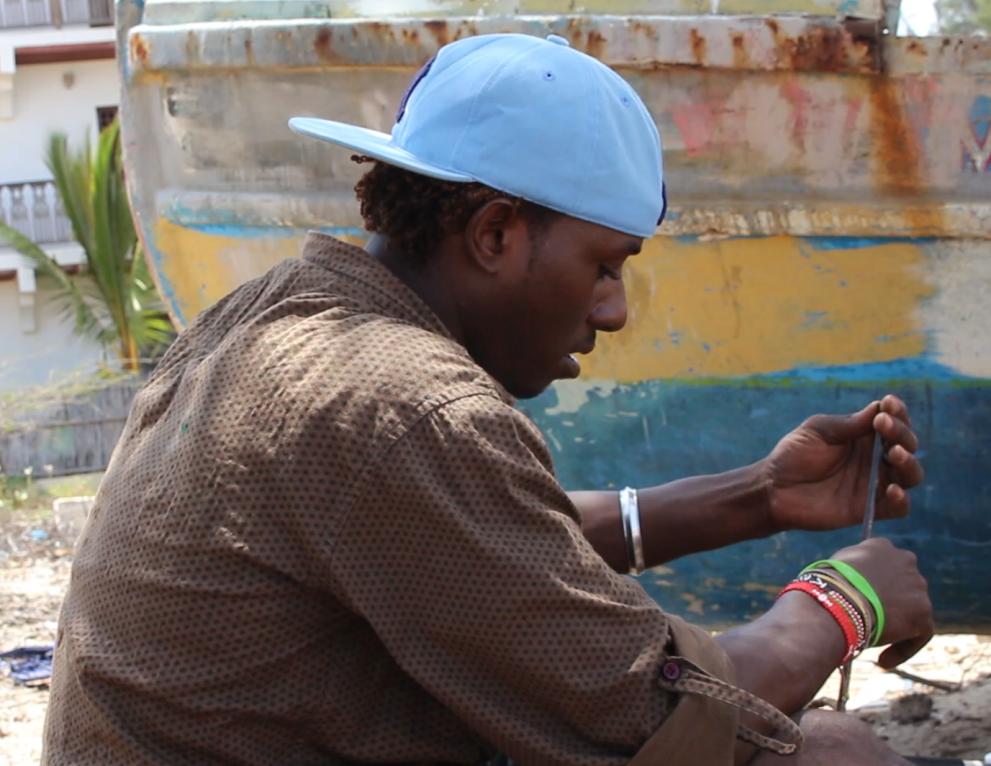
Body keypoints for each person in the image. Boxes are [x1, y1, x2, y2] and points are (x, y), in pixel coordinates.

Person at [42, 32, 932, 766]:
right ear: (495, 232)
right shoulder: (402, 403)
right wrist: (842, 600)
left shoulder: (278, 314)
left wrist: (758, 496)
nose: (614, 311)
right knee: (830, 752)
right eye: (604, 266)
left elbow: (481, 548)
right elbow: (650, 719)